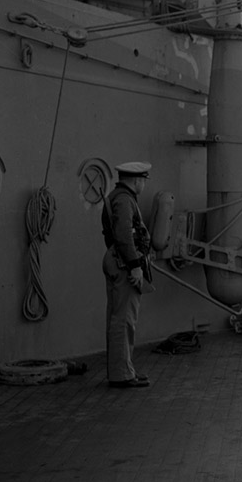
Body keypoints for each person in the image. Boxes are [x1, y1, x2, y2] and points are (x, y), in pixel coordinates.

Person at [100, 161, 153, 388]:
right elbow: (123, 235)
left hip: (117, 259)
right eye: (143, 180)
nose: (143, 185)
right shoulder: (124, 200)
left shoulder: (117, 197)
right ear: (136, 180)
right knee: (124, 320)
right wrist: (134, 265)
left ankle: (123, 369)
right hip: (124, 264)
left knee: (118, 317)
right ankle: (122, 374)